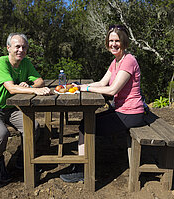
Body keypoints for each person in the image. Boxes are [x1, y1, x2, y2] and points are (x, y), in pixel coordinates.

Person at [60, 25, 147, 183]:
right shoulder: (116, 62)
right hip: (122, 110)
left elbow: (112, 90)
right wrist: (79, 87)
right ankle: (82, 163)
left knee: (85, 126)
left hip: (131, 113)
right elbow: (102, 82)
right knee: (86, 123)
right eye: (111, 40)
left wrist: (85, 87)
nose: (113, 44)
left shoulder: (128, 60)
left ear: (124, 41)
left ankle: (83, 170)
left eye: (117, 41)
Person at [0, 33, 51, 182]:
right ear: (8, 48)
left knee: (33, 127)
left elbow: (40, 81)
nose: (20, 50)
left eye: (24, 47)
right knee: (1, 133)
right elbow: (11, 88)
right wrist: (33, 90)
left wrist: (29, 85)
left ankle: (22, 158)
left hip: (10, 109)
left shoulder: (25, 63)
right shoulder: (1, 62)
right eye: (17, 46)